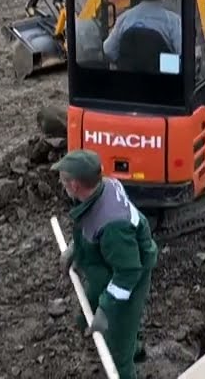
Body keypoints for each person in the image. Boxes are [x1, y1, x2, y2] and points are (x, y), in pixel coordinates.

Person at [55, 149, 158, 379]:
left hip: (132, 273)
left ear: (75, 186)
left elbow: (128, 273)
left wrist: (106, 308)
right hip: (110, 265)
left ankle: (126, 356)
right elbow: (90, 222)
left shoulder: (114, 227)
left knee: (117, 352)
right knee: (90, 313)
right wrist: (76, 247)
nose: (61, 186)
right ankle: (134, 346)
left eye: (63, 182)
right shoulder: (105, 185)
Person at [102, 0, 182, 69]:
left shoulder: (124, 18)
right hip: (162, 82)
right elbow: (182, 53)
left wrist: (127, 63)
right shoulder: (173, 21)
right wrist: (160, 65)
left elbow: (108, 49)